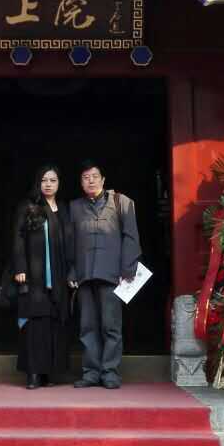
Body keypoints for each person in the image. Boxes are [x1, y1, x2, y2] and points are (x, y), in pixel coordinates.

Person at [67, 160, 140, 389]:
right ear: (81, 182)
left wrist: (128, 268)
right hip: (84, 275)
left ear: (103, 179)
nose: (90, 181)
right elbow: (69, 243)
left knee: (111, 326)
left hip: (112, 275)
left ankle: (110, 372)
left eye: (94, 176)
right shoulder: (74, 207)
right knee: (87, 326)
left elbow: (131, 237)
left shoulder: (121, 202)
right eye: (85, 177)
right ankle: (91, 373)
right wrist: (71, 270)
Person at [11, 164, 72, 389]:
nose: (48, 184)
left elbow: (71, 242)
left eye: (53, 180)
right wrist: (20, 268)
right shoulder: (28, 207)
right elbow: (18, 238)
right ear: (38, 183)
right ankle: (33, 373)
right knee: (35, 325)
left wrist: (72, 271)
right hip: (34, 276)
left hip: (58, 277)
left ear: (59, 184)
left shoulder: (63, 209)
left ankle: (49, 372)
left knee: (54, 324)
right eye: (44, 180)